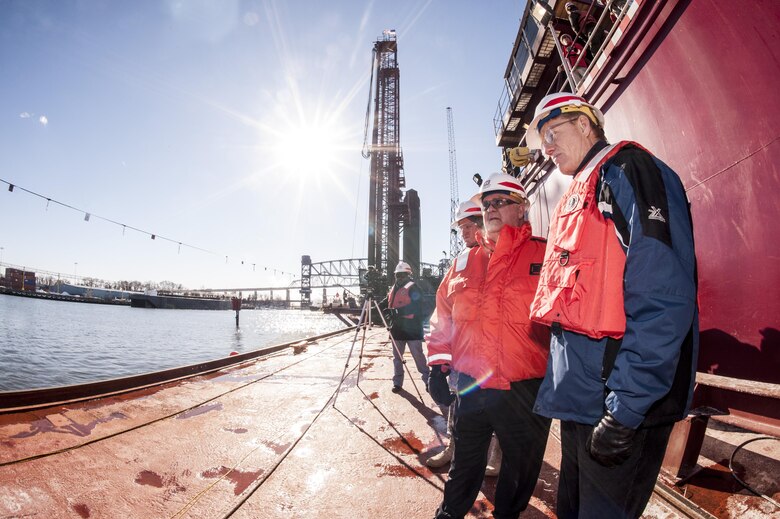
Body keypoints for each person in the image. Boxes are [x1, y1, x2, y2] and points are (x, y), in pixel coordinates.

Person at [526, 92, 699, 518]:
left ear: (585, 123)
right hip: (581, 402)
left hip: (616, 402)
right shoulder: (580, 190)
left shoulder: (627, 171)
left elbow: (663, 295)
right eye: (541, 138)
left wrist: (625, 409)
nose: (546, 146)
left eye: (553, 132)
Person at [427, 174, 551, 519]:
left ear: (522, 208)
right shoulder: (463, 262)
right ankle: (449, 513)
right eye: (487, 203)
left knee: (520, 470)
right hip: (472, 385)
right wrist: (438, 363)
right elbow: (442, 316)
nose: (491, 208)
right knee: (464, 464)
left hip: (525, 390)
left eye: (501, 201)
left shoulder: (547, 255)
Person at [386, 261, 430, 393]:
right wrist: (374, 308)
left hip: (412, 330)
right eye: (397, 275)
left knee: (419, 357)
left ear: (408, 275)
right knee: (397, 358)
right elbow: (387, 301)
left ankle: (428, 381)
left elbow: (416, 306)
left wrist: (397, 311)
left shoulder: (414, 288)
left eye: (402, 275)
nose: (399, 278)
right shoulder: (394, 288)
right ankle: (397, 382)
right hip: (397, 330)